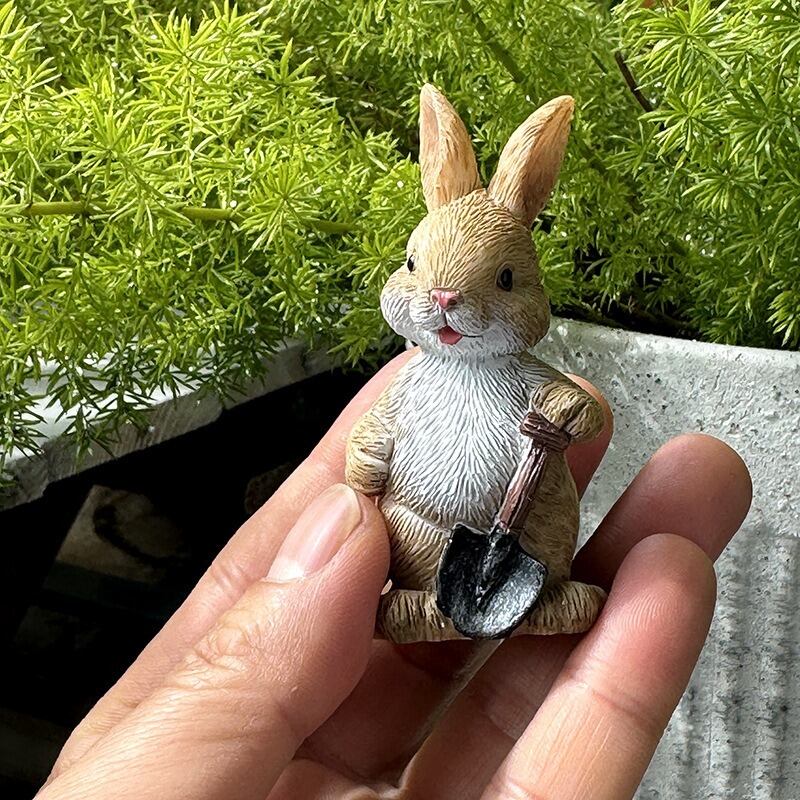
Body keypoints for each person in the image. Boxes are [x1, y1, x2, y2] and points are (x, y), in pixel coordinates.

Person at [36, 352, 752, 800]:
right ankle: (431, 610)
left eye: (499, 282)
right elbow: (368, 448)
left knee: (584, 588)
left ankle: (533, 603)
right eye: (422, 275)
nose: (443, 303)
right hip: (414, 559)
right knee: (388, 604)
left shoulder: (526, 376)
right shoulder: (415, 379)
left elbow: (585, 413)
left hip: (522, 545)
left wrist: (563, 417)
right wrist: (370, 460)